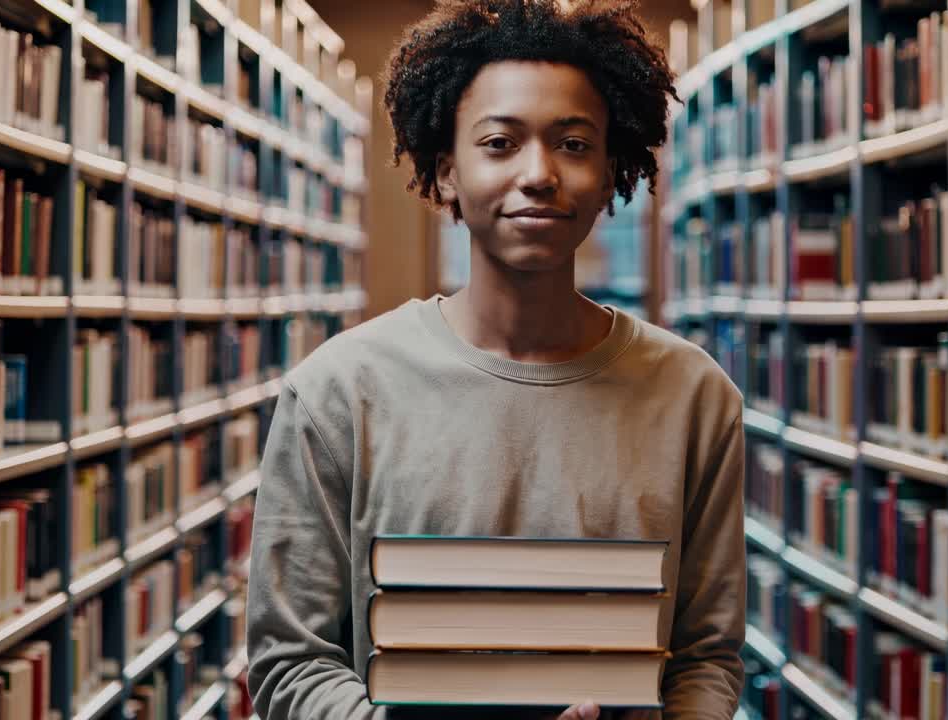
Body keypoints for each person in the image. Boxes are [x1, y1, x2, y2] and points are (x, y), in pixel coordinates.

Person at [245, 1, 746, 718]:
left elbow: (707, 656)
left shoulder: (695, 395)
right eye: (500, 143)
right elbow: (290, 662)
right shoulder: (338, 391)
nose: (539, 173)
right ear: (447, 172)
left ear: (611, 174)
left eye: (574, 144)